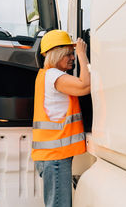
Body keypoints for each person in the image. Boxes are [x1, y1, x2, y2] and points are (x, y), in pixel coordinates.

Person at [31, 30, 90, 207]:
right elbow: (85, 86)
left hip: (51, 157)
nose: (72, 57)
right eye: (68, 53)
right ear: (57, 54)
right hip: (55, 158)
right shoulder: (54, 76)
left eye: (73, 53)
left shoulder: (46, 76)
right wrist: (82, 54)